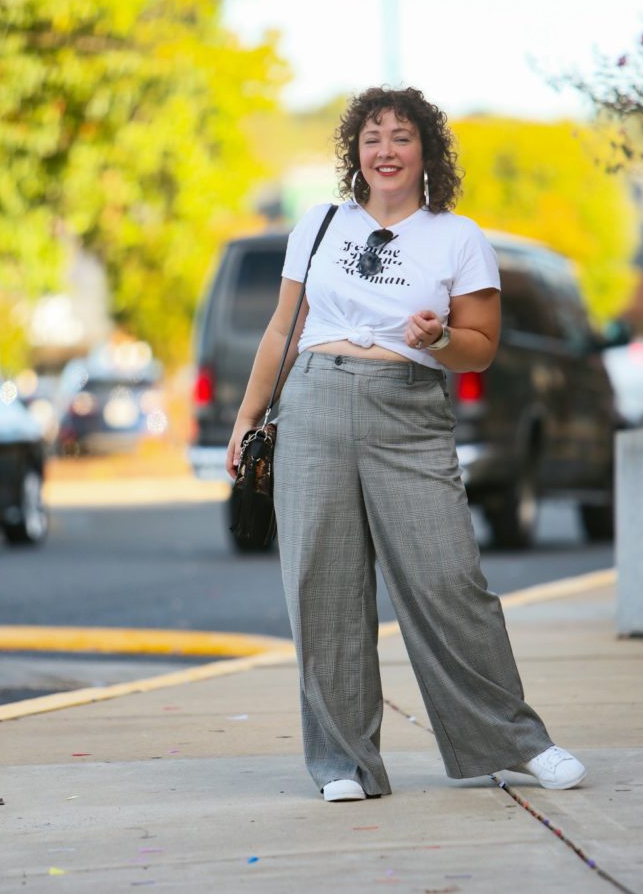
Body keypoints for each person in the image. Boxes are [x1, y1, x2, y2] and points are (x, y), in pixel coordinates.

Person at [226, 87, 586, 803]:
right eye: (371, 138)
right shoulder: (320, 224)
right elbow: (282, 330)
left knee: (450, 580)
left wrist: (441, 338)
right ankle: (343, 763)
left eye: (400, 137)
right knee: (322, 585)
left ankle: (516, 740)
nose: (385, 151)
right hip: (316, 399)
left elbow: (479, 349)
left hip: (408, 409)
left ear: (427, 152)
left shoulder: (457, 237)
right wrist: (246, 418)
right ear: (354, 153)